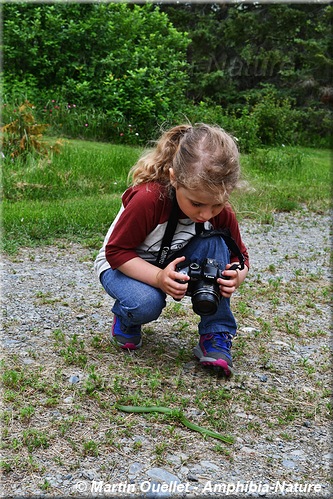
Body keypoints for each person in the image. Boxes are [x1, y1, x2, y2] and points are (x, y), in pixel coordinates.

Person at [94, 123, 249, 377]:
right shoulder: (148, 199)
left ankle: (216, 333)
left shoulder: (220, 212)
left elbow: (240, 256)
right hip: (124, 265)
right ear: (174, 178)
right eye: (197, 203)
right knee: (147, 303)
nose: (206, 214)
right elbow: (116, 252)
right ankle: (126, 316)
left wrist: (236, 275)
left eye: (217, 205)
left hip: (171, 261)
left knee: (216, 241)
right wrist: (158, 278)